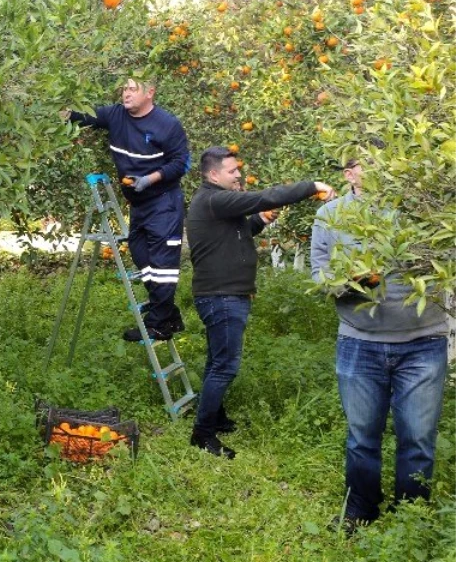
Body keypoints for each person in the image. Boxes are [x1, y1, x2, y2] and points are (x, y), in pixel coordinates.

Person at [310, 158, 449, 531]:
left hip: (423, 342)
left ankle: (411, 517)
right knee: (361, 437)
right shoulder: (330, 215)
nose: (376, 169)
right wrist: (350, 282)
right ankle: (360, 511)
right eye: (364, 164)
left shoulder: (420, 210)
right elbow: (319, 275)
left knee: (418, 439)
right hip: (360, 342)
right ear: (348, 174)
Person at [185, 146, 334, 458]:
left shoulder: (217, 205)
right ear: (214, 175)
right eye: (232, 170)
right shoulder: (214, 199)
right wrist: (311, 187)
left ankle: (215, 416)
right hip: (222, 297)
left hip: (223, 295)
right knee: (225, 366)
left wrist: (260, 221)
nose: (238, 174)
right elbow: (265, 196)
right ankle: (202, 433)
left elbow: (237, 233)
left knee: (217, 361)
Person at [67, 77, 191, 341]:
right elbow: (84, 116)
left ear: (150, 93)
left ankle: (158, 325)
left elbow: (181, 163)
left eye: (133, 89)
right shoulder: (115, 115)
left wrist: (151, 178)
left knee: (162, 266)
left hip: (164, 202)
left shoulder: (166, 125)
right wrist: (58, 107)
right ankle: (169, 314)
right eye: (124, 88)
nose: (126, 94)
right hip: (139, 204)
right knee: (139, 253)